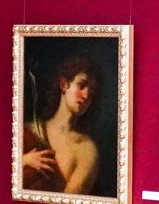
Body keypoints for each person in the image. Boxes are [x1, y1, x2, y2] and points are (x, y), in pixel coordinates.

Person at [21, 56, 101, 194]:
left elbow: (69, 203)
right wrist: (23, 161)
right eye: (81, 85)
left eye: (92, 92)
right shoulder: (29, 130)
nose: (86, 95)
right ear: (64, 84)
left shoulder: (86, 150)